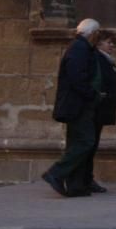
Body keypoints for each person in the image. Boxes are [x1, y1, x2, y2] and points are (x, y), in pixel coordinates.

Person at [43, 18, 104, 197]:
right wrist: (92, 94)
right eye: (97, 33)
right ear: (91, 34)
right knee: (85, 141)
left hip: (79, 105)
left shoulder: (83, 48)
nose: (98, 37)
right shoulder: (78, 49)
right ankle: (56, 172)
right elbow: (77, 77)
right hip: (78, 106)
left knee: (77, 143)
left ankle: (75, 184)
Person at [82, 29, 116, 194]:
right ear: (99, 43)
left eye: (112, 42)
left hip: (103, 107)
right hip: (97, 107)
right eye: (108, 42)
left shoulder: (106, 59)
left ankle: (86, 178)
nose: (112, 45)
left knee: (93, 143)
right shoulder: (98, 58)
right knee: (90, 144)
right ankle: (85, 179)